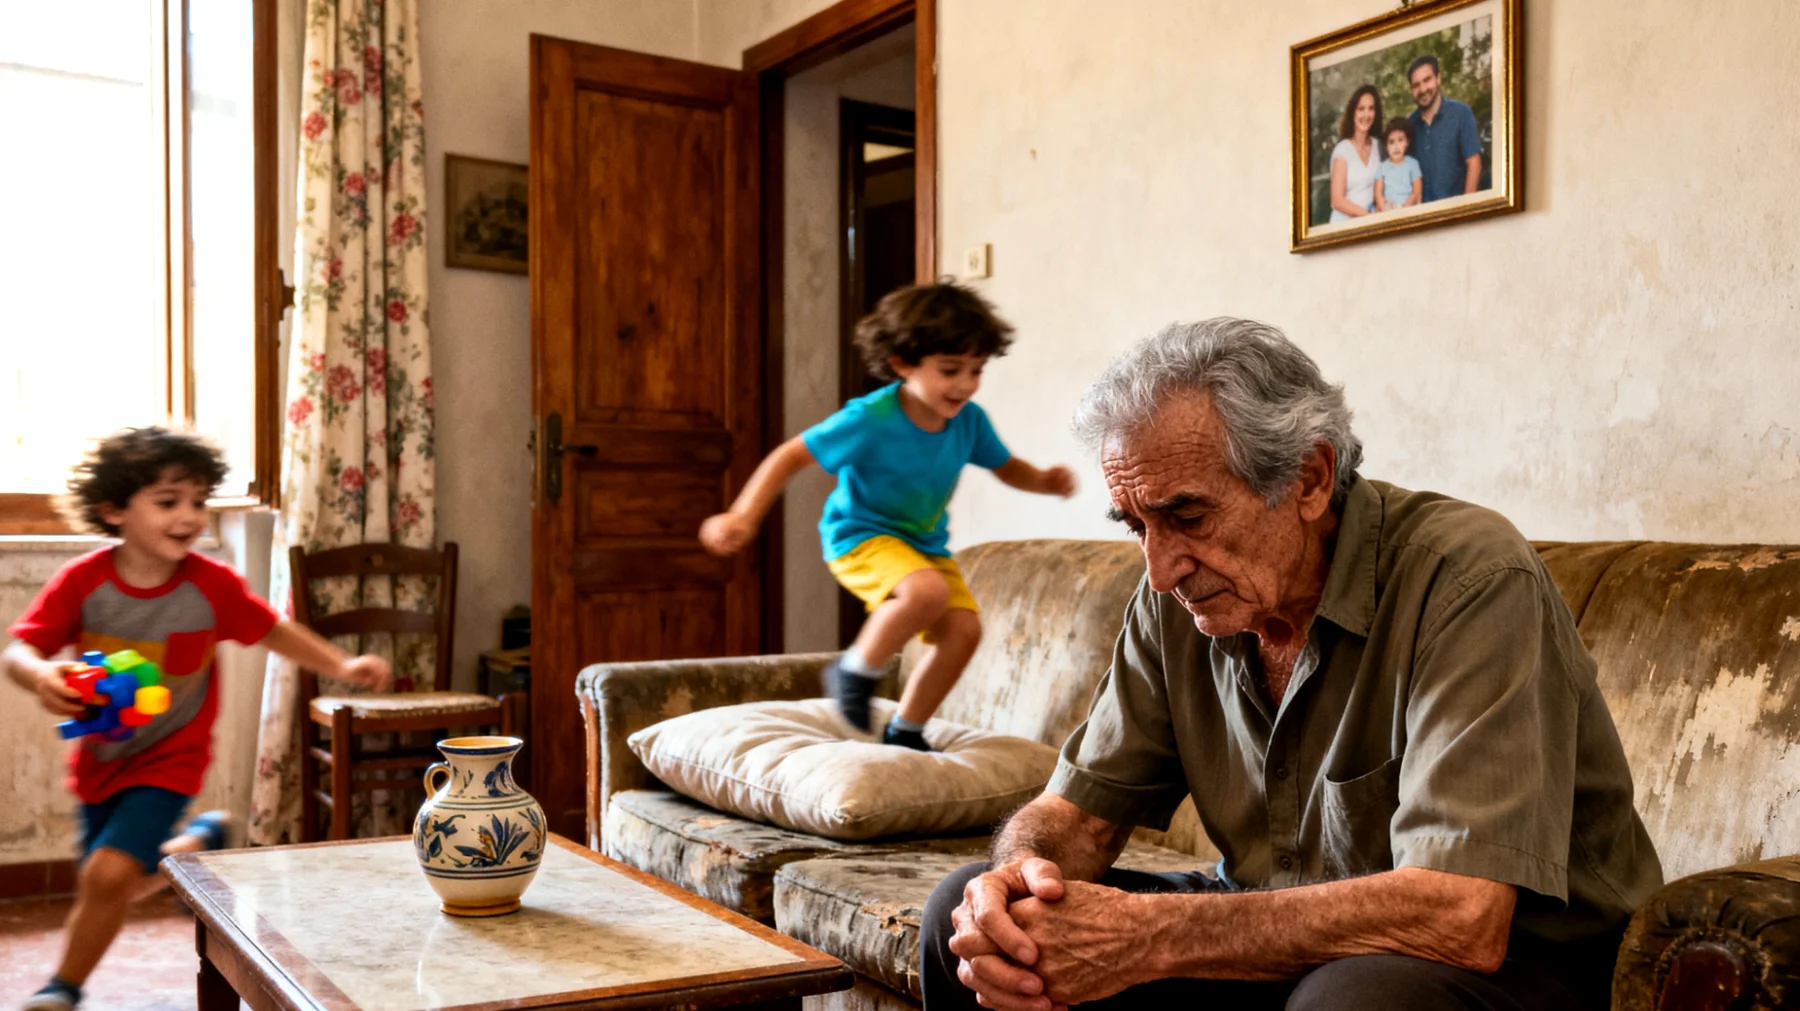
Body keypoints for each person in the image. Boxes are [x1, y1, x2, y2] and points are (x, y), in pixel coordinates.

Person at [920, 318, 1663, 1010]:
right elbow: (1077, 814)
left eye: (1186, 515)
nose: (1159, 568)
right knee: (970, 923)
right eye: (1136, 525)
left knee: (1353, 999)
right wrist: (1016, 878)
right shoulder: (1179, 598)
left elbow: (1463, 912)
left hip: (1517, 962)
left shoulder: (1468, 578)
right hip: (1286, 935)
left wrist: (1146, 934)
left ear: (1308, 479)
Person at [5, 427, 393, 1011]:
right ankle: (199, 842)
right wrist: (40, 677)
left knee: (104, 879)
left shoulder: (210, 587)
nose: (189, 516)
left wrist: (343, 662)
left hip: (170, 762)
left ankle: (61, 988)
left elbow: (272, 629)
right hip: (100, 762)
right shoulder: (83, 582)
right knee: (121, 885)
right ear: (114, 509)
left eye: (197, 501)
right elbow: (19, 649)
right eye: (168, 502)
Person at [699, 283, 1075, 750]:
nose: (965, 384)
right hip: (859, 536)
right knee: (926, 592)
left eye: (976, 370)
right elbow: (790, 456)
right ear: (903, 363)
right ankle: (853, 670)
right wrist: (742, 515)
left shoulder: (969, 421)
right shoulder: (870, 418)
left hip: (923, 546)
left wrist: (1044, 481)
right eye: (950, 370)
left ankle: (907, 729)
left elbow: (1006, 466)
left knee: (963, 630)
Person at [1406, 53, 1484, 202]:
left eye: (1427, 80)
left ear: (1438, 78)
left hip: (1457, 213)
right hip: (1423, 217)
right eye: (1416, 85)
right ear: (1412, 90)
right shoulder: (1409, 126)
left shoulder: (1461, 113)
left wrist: (1466, 210)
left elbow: (1474, 163)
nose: (1422, 89)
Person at [1327, 85, 1382, 222]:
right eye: (1361, 109)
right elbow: (1337, 201)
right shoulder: (1342, 150)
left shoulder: (1379, 146)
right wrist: (1368, 218)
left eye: (1371, 108)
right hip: (1345, 224)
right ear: (1353, 113)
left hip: (1371, 223)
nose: (1366, 115)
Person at [1373, 118, 1424, 213]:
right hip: (1388, 211)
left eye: (1400, 140)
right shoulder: (1382, 167)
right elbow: (1378, 194)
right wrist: (1385, 208)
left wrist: (1403, 209)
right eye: (1391, 142)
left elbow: (1417, 192)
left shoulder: (1413, 164)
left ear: (1407, 142)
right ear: (1386, 147)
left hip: (1408, 210)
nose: (1396, 147)